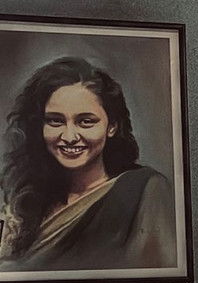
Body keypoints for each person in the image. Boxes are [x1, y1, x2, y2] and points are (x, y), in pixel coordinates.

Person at [0, 56, 175, 272]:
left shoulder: (145, 190)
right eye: (55, 121)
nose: (69, 136)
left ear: (112, 126)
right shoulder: (27, 202)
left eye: (86, 121)